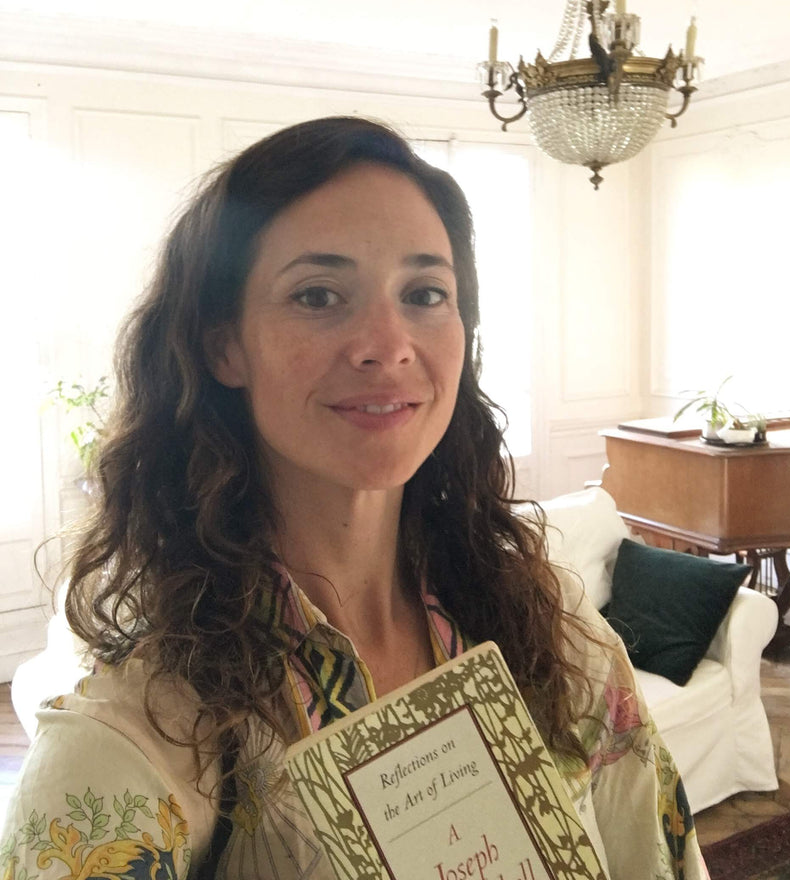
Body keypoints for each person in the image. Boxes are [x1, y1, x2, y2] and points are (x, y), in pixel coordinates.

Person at [1, 117, 709, 879]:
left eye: (425, 292)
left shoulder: (560, 644)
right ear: (222, 346)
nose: (387, 342)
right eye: (317, 294)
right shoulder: (139, 739)